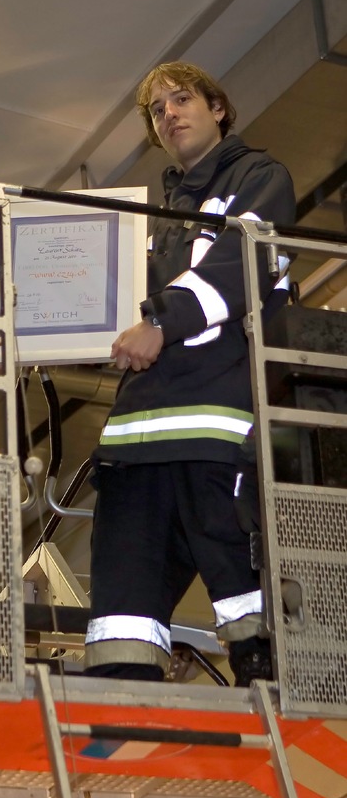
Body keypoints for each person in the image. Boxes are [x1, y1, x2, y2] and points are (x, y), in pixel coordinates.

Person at [84, 61, 296, 687]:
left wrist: (159, 321)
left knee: (246, 600)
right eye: (157, 110)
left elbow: (243, 266)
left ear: (219, 108)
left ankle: (272, 696)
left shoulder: (259, 178)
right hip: (134, 442)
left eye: (182, 99)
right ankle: (121, 720)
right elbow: (112, 315)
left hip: (216, 428)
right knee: (123, 608)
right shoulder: (154, 223)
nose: (169, 113)